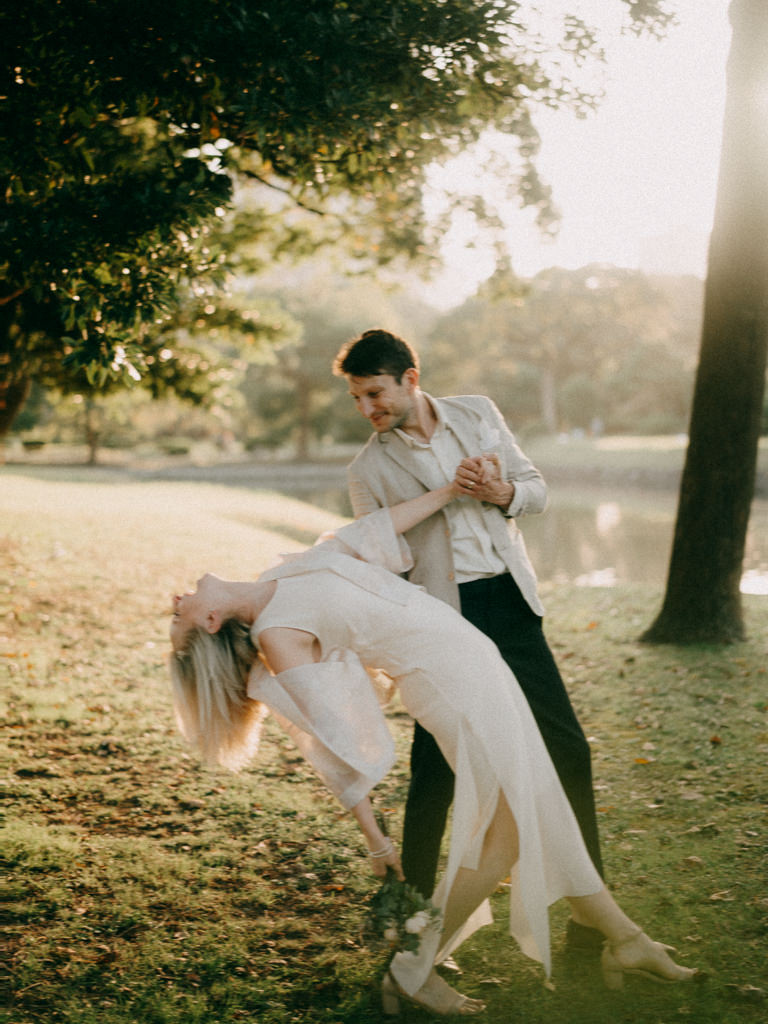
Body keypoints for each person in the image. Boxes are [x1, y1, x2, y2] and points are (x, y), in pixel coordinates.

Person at [169, 495, 698, 1017]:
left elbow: (378, 528)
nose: (175, 604)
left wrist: (451, 489)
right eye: (177, 620)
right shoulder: (278, 634)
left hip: (481, 669)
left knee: (535, 803)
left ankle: (624, 938)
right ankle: (413, 971)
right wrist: (376, 843)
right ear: (212, 620)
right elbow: (330, 743)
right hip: (451, 690)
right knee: (510, 831)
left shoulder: (285, 572)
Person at [333, 328, 604, 953]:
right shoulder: (367, 468)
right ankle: (413, 927)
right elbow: (380, 564)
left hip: (510, 604)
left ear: (410, 378)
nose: (367, 409)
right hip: (441, 625)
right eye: (357, 398)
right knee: (435, 777)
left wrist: (501, 492)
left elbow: (535, 489)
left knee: (570, 752)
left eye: (375, 393)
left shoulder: (478, 414)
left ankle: (591, 930)